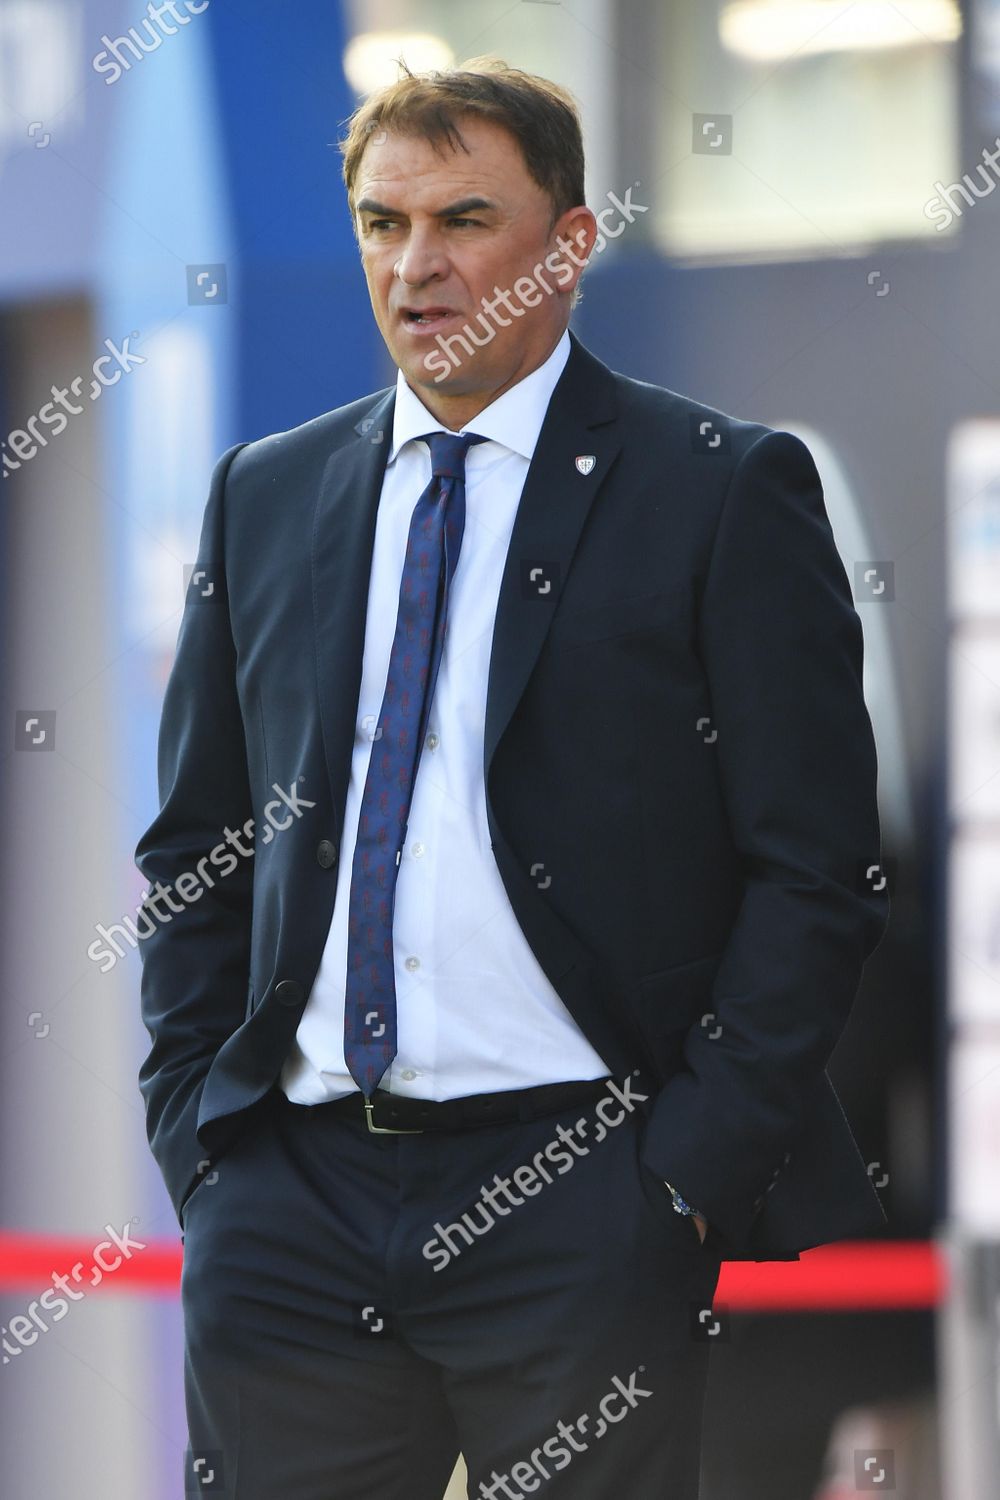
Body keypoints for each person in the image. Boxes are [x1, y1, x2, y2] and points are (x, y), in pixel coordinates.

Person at [135, 56, 889, 1500]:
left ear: (570, 241)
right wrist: (202, 1145)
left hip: (582, 1192)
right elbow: (196, 847)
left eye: (463, 219)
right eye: (380, 223)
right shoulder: (268, 491)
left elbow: (818, 872)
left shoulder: (722, 487)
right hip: (293, 1204)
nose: (416, 267)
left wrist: (677, 1179)